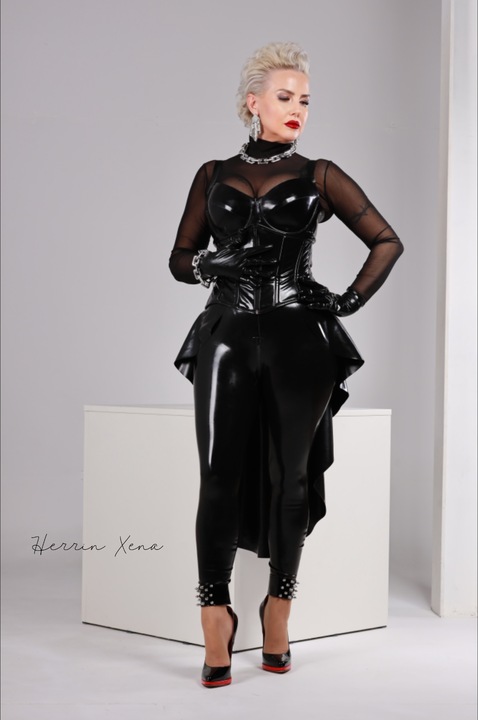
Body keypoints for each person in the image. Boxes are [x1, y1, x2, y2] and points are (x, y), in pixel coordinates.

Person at [169, 41, 403, 688]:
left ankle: (278, 609)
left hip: (299, 339)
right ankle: (214, 614)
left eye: (305, 99)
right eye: (284, 96)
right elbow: (179, 258)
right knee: (216, 474)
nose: (298, 107)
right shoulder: (212, 174)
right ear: (254, 102)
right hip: (224, 333)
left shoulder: (319, 174)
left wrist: (345, 301)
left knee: (290, 476)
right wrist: (209, 263)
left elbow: (386, 241)